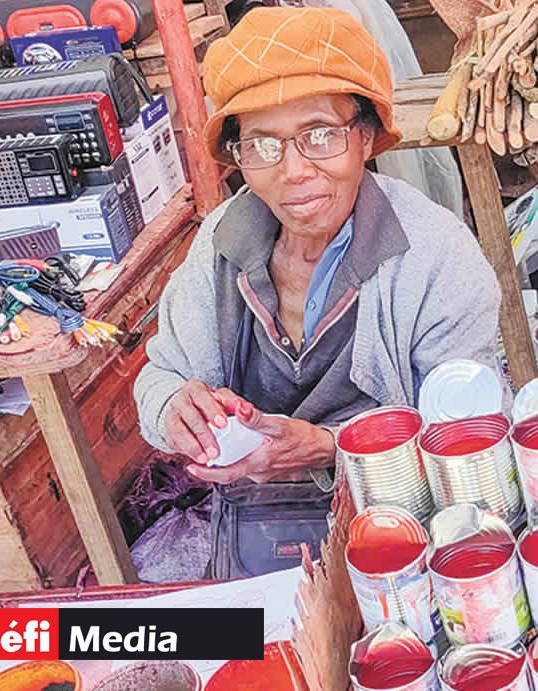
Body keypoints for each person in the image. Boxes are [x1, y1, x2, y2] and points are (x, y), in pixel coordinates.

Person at [133, 7, 501, 577]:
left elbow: (463, 433)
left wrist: (331, 447)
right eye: (262, 145)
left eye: (321, 136)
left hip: (407, 533)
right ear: (239, 157)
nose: (295, 171)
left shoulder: (437, 257)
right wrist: (175, 407)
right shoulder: (221, 242)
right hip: (261, 532)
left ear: (367, 136)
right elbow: (161, 377)